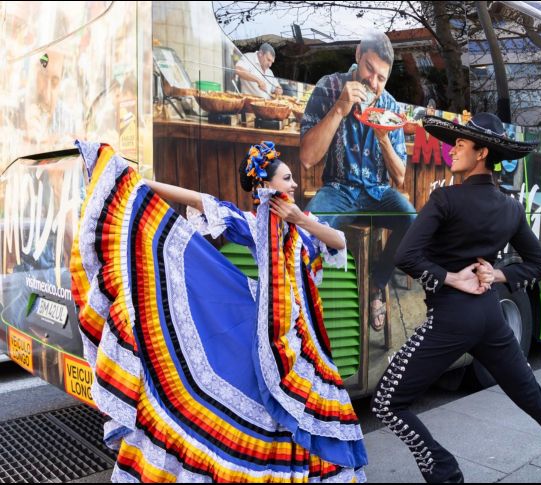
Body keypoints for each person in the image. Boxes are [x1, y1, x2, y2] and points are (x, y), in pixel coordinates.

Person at [70, 140, 367, 482]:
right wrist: (136, 183)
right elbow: (198, 200)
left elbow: (338, 242)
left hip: (306, 331)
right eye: (287, 179)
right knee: (272, 410)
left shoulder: (304, 223)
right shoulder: (253, 223)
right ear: (265, 186)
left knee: (302, 406)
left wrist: (300, 219)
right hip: (271, 331)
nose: (294, 184)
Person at [371, 113, 541, 484]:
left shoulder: (445, 199)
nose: (453, 152)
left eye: (461, 146)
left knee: (387, 403)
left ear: (481, 153)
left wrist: (452, 278)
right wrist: (497, 274)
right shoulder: (510, 206)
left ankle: (444, 472)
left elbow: (405, 256)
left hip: (451, 320)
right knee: (533, 398)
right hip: (490, 317)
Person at [299, 31, 415, 332]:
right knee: (304, 231)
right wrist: (339, 108)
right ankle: (304, 306)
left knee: (414, 222)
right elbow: (308, 158)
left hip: (378, 193)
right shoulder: (329, 87)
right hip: (338, 189)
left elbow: (400, 176)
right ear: (357, 54)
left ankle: (377, 284)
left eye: (381, 78)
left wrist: (384, 139)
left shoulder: (390, 106)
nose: (373, 83)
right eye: (369, 70)